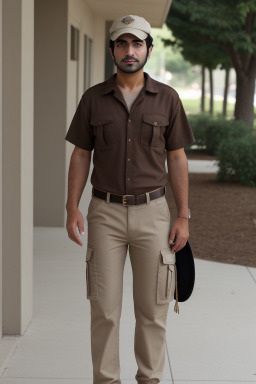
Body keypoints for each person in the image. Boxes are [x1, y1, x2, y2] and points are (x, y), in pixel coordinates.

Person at [65, 14, 194, 384]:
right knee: (103, 309)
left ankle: (149, 380)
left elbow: (177, 158)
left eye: (137, 44)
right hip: (104, 213)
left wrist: (182, 215)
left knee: (153, 310)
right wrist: (72, 206)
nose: (129, 51)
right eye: (122, 43)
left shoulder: (167, 99)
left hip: (154, 213)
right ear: (112, 50)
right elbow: (80, 155)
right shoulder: (93, 99)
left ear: (149, 50)